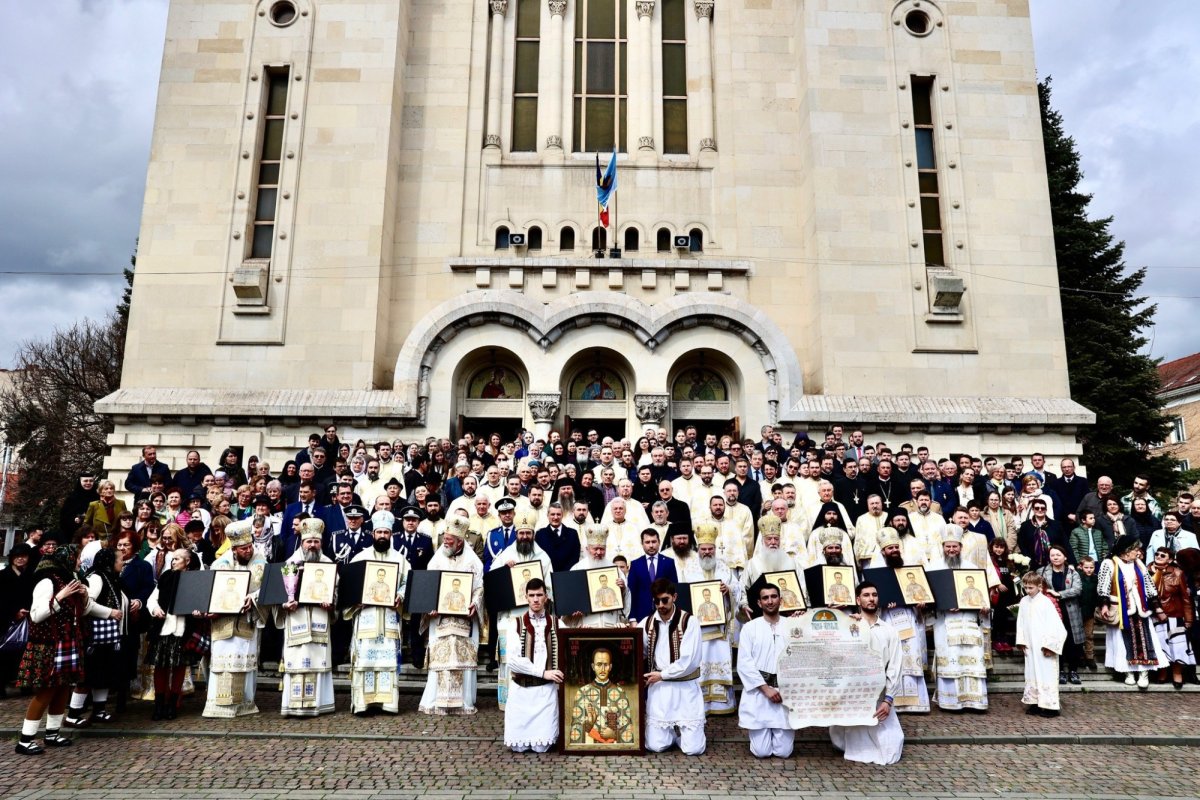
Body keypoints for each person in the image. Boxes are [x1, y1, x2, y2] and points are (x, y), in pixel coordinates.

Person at [14, 544, 121, 755]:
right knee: (46, 691)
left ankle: (52, 733)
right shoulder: (47, 581)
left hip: (68, 642)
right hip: (47, 645)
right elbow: (36, 615)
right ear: (67, 559)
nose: (80, 562)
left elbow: (86, 609)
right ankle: (25, 739)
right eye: (77, 558)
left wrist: (85, 598)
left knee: (63, 688)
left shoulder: (72, 580)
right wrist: (60, 596)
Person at [829, 581, 904, 765]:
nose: (871, 598)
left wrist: (888, 701)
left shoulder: (889, 631)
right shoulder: (847, 626)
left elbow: (895, 666)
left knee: (891, 750)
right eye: (866, 595)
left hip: (879, 695)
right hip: (853, 695)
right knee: (846, 743)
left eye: (874, 595)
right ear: (858, 599)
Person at [419, 515, 485, 716]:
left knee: (461, 662)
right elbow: (429, 585)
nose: (445, 542)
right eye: (445, 538)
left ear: (460, 541)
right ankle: (435, 701)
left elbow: (479, 588)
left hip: (463, 619)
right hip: (440, 619)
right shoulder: (437, 559)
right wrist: (429, 604)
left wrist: (475, 603)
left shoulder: (473, 562)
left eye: (450, 540)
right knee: (441, 660)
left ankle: (463, 702)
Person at [64, 548, 137, 727]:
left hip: (109, 637)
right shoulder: (97, 578)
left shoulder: (112, 578)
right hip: (95, 637)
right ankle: (73, 714)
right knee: (89, 675)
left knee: (104, 674)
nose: (123, 562)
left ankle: (99, 711)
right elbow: (87, 604)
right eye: (119, 559)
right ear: (109, 561)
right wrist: (110, 612)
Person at [488, 510, 553, 710]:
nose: (524, 537)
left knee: (534, 656)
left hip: (535, 618)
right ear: (516, 533)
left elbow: (550, 587)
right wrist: (503, 571)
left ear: (533, 535)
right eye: (521, 533)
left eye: (528, 534)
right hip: (511, 617)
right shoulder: (505, 555)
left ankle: (534, 701)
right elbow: (492, 582)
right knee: (511, 659)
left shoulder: (543, 557)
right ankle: (509, 703)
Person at [202, 520, 267, 718]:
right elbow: (210, 591)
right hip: (223, 622)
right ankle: (218, 705)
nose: (248, 551)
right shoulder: (219, 564)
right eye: (243, 548)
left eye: (250, 547)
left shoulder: (260, 561)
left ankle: (245, 703)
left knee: (245, 662)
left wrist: (253, 598)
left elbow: (265, 589)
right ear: (234, 548)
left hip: (247, 620)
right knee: (221, 663)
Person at [345, 521, 409, 715]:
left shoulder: (401, 559)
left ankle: (388, 704)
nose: (382, 535)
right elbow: (350, 584)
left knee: (387, 662)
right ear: (373, 534)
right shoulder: (360, 557)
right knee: (364, 660)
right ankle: (363, 704)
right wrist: (356, 600)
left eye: (386, 532)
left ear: (391, 534)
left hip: (389, 617)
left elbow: (407, 582)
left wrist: (400, 595)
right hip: (367, 617)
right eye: (379, 532)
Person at [275, 518, 337, 717]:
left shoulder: (328, 565)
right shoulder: (289, 564)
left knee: (318, 662)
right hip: (297, 619)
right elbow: (279, 597)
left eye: (316, 542)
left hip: (319, 619)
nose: (312, 545)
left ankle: (319, 705)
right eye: (309, 541)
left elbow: (335, 590)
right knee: (297, 660)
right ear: (302, 542)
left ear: (321, 543)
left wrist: (331, 602)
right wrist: (286, 604)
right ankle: (294, 706)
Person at [867, 528, 930, 713]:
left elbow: (918, 595)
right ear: (882, 552)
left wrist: (920, 604)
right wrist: (883, 604)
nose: (894, 550)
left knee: (911, 656)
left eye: (896, 547)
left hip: (909, 618)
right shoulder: (875, 573)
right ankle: (893, 701)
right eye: (889, 548)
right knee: (892, 658)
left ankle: (916, 702)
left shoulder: (909, 570)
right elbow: (870, 602)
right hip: (887, 619)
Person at [641, 578, 705, 755]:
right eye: (656, 601)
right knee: (656, 746)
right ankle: (669, 733)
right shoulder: (647, 623)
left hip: (685, 688)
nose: (660, 605)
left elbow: (689, 660)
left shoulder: (689, 621)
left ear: (674, 597)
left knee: (694, 749)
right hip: (660, 689)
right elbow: (639, 649)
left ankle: (684, 734)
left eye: (665, 600)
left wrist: (663, 675)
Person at [927, 528, 989, 711]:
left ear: (961, 547)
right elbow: (929, 595)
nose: (951, 550)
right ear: (943, 547)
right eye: (948, 546)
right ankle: (950, 701)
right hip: (945, 621)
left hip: (968, 620)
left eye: (955, 546)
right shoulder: (933, 567)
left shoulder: (972, 568)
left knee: (971, 656)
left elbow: (981, 596)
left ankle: (974, 701)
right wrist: (941, 604)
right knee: (951, 657)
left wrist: (983, 606)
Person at [145, 548, 208, 720]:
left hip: (182, 630)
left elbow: (201, 604)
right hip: (164, 628)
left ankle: (172, 705)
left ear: (187, 561)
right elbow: (152, 599)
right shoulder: (165, 576)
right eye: (172, 559)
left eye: (177, 559)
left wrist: (198, 612)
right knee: (160, 667)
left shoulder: (195, 580)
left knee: (179, 667)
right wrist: (155, 609)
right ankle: (159, 706)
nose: (173, 562)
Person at [1096, 534, 1165, 689]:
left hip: (1140, 608)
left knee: (1145, 640)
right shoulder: (1109, 563)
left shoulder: (1139, 564)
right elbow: (1103, 586)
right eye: (1135, 549)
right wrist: (1104, 605)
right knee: (1123, 642)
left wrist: (1156, 606)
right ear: (1126, 551)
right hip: (1121, 609)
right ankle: (1129, 673)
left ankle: (1143, 673)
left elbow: (1149, 586)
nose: (1138, 552)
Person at [504, 578, 563, 752]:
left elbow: (575, 639)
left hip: (545, 693)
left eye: (539, 595)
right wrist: (542, 672)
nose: (536, 599)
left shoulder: (557, 622)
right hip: (521, 692)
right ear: (526, 597)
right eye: (532, 595)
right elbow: (513, 661)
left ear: (546, 597)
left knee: (541, 746)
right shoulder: (515, 623)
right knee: (519, 747)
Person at [736, 583, 792, 758]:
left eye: (774, 597)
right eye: (765, 598)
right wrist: (765, 688)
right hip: (760, 692)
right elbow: (744, 663)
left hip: (785, 692)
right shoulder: (750, 628)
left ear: (780, 600)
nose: (770, 601)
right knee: (762, 752)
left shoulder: (792, 626)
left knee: (783, 752)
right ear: (759, 603)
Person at [1016, 572, 1067, 718]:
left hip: (1043, 646)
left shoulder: (1046, 602)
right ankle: (1035, 703)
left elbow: (1055, 626)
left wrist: (1050, 646)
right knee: (1031, 673)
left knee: (1046, 674)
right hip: (1030, 645)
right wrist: (1021, 641)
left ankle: (1050, 706)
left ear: (1039, 586)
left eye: (1031, 588)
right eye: (1025, 587)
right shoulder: (1024, 601)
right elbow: (1020, 622)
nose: (1028, 591)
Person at [564, 525, 631, 628]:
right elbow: (569, 598)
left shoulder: (614, 569)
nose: (599, 552)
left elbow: (625, 599)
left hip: (611, 624)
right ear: (587, 549)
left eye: (602, 549)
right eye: (595, 549)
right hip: (586, 624)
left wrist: (623, 589)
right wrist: (573, 610)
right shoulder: (577, 568)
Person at [568, 646, 634, 746]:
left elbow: (627, 728)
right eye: (599, 665)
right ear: (593, 666)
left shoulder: (620, 693)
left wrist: (615, 734)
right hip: (589, 746)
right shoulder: (582, 693)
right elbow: (575, 730)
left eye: (606, 665)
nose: (602, 669)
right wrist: (589, 725)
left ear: (610, 667)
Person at [1148, 546, 1194, 689]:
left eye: (1163, 555)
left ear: (1170, 560)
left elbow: (1185, 598)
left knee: (1178, 646)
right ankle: (1162, 672)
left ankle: (1177, 673)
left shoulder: (1177, 573)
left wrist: (1189, 619)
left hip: (1174, 614)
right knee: (1160, 645)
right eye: (1157, 554)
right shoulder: (1146, 571)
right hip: (1154, 615)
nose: (1159, 557)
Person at [1037, 544, 1083, 684]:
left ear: (1065, 556)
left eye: (1058, 555)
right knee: (1057, 639)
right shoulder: (1042, 571)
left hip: (1071, 610)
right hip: (1052, 610)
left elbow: (1077, 589)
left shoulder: (1072, 572)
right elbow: (1038, 588)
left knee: (1072, 641)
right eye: (1052, 555)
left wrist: (1059, 594)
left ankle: (1073, 671)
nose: (1055, 557)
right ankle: (1060, 670)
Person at [0, 544, 35, 698]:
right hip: (6, 621)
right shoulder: (2, 575)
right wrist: (14, 612)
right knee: (4, 654)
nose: (20, 559)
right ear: (12, 558)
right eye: (17, 556)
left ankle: (25, 685)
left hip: (28, 619)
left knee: (25, 654)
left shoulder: (31, 576)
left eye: (24, 556)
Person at [627, 529, 678, 623]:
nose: (651, 545)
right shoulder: (635, 564)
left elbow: (674, 589)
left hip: (665, 614)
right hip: (641, 616)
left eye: (654, 542)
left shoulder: (668, 562)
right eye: (647, 542)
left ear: (659, 542)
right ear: (642, 544)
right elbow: (631, 593)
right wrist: (632, 618)